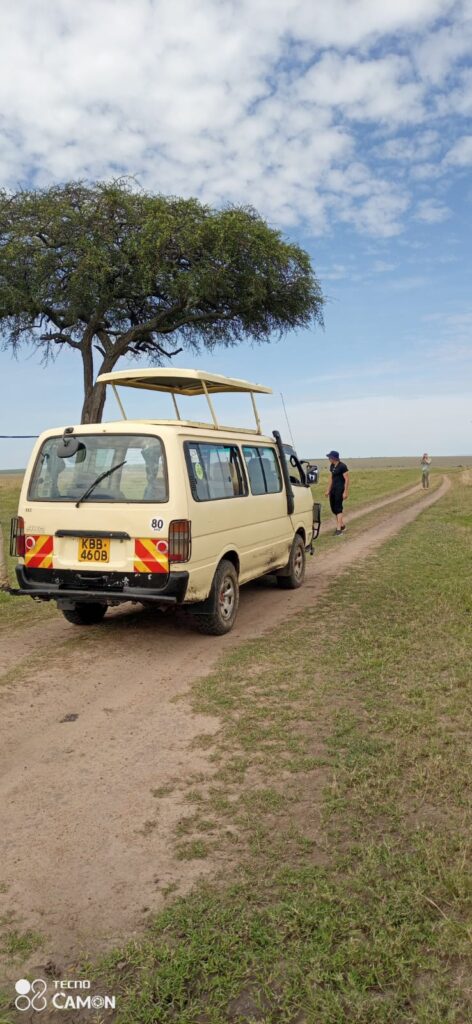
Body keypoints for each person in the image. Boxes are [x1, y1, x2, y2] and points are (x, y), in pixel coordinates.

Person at [325, 450, 350, 535]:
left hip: (340, 490)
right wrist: (328, 490)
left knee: (338, 508)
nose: (329, 458)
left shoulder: (343, 466)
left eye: (330, 457)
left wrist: (345, 492)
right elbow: (331, 478)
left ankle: (339, 530)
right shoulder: (332, 466)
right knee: (333, 508)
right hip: (333, 490)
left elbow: (347, 480)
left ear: (334, 458)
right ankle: (342, 526)